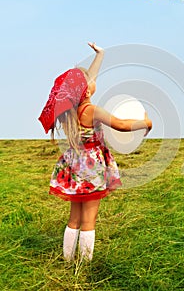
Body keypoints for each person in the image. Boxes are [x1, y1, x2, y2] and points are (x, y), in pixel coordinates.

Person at [38, 42, 152, 263]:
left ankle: (68, 261)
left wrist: (100, 55)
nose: (93, 79)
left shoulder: (73, 111)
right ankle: (85, 265)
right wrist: (145, 123)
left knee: (75, 219)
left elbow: (88, 79)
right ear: (87, 90)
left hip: (74, 165)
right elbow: (120, 124)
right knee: (89, 220)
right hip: (91, 169)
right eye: (90, 81)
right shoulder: (91, 110)